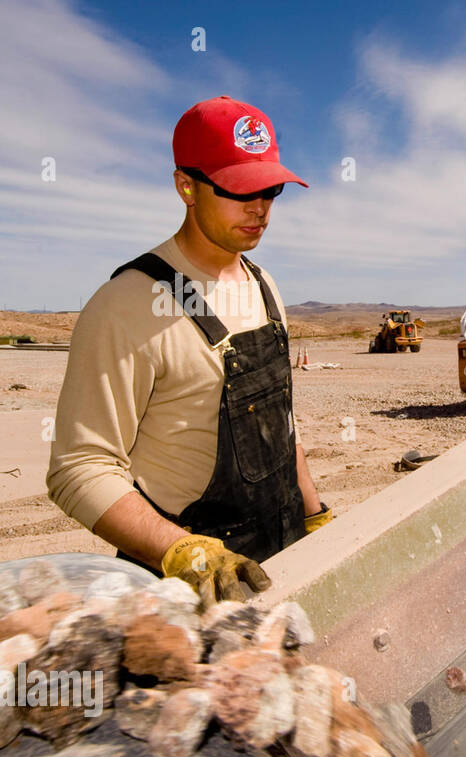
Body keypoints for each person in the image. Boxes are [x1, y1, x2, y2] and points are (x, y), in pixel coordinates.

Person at [47, 95, 332, 607]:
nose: (260, 208)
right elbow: (79, 468)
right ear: (186, 186)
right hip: (186, 592)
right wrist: (183, 552)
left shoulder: (265, 287)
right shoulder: (127, 305)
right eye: (240, 190)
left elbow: (280, 428)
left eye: (270, 190)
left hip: (282, 562)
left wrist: (315, 515)